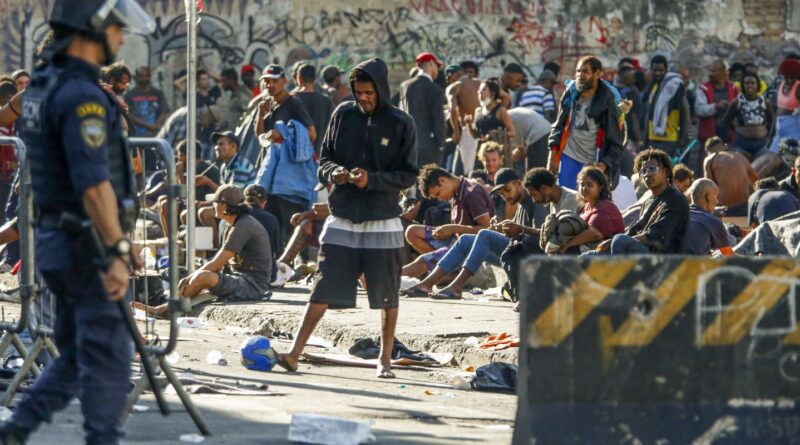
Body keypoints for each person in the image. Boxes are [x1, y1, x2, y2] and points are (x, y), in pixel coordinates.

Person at [0, 2, 154, 443]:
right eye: (116, 29)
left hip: (55, 241)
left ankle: (18, 429)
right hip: (85, 245)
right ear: (92, 29)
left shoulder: (45, 87)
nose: (121, 38)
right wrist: (120, 251)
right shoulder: (82, 96)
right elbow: (92, 185)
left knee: (74, 357)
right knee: (110, 355)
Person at [276, 58, 418, 379]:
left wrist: (374, 181)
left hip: (383, 220)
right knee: (322, 286)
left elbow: (408, 174)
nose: (363, 98)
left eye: (369, 92)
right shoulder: (342, 114)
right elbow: (323, 158)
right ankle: (295, 354)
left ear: (381, 89)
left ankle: (384, 359)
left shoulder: (401, 123)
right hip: (342, 218)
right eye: (358, 92)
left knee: (386, 294)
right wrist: (335, 172)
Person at [400, 168, 537, 300]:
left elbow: (537, 237)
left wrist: (454, 229)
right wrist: (502, 225)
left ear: (519, 183)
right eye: (502, 193)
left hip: (527, 255)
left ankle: (456, 286)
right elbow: (515, 230)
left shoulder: (534, 200)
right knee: (464, 240)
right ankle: (426, 284)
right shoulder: (520, 203)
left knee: (484, 235)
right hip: (513, 250)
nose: (505, 196)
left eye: (507, 190)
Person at [176, 185, 272, 305]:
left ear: (224, 206)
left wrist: (190, 278)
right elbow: (219, 266)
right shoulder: (229, 224)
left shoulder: (243, 226)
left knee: (201, 276)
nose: (213, 206)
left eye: (215, 202)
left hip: (253, 286)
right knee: (195, 275)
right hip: (239, 279)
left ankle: (171, 307)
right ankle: (173, 305)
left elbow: (218, 263)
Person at [402, 165, 494, 278]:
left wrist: (453, 228)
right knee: (412, 231)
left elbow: (488, 230)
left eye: (438, 194)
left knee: (425, 260)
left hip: (471, 247)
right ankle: (444, 268)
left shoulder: (471, 192)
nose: (440, 199)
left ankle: (390, 278)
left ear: (442, 180)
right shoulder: (456, 192)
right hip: (456, 240)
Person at [548, 56, 624, 191]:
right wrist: (552, 157)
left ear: (597, 73)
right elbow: (558, 126)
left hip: (593, 163)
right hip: (569, 158)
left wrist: (603, 165)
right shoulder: (571, 95)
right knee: (565, 203)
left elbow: (616, 142)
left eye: (585, 72)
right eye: (578, 71)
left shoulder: (607, 101)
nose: (580, 75)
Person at [595, 149, 689, 254]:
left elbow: (655, 236)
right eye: (643, 171)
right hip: (641, 253)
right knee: (591, 254)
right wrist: (611, 241)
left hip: (663, 261)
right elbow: (636, 229)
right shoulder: (649, 200)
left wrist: (618, 240)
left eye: (653, 169)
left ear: (666, 172)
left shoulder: (676, 200)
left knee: (620, 241)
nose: (647, 174)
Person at [557, 165, 624, 253]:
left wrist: (566, 246)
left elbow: (594, 234)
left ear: (600, 187)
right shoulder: (584, 207)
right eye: (582, 185)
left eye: (589, 185)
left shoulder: (604, 207)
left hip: (608, 255)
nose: (584, 188)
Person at [399, 52, 447, 166]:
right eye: (437, 66)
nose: (437, 70)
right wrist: (441, 143)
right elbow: (438, 120)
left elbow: (401, 114)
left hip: (408, 144)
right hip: (429, 146)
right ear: (431, 63)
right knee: (428, 181)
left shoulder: (405, 86)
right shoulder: (434, 89)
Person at [254, 64, 316, 148]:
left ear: (285, 81)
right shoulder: (267, 104)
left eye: (275, 81)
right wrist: (260, 115)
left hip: (287, 160)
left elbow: (311, 134)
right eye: (267, 81)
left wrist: (282, 135)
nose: (270, 85)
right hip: (270, 158)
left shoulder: (293, 103)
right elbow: (260, 137)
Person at [642, 55, 690, 158]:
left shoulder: (674, 87)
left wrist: (682, 139)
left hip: (669, 140)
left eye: (661, 70)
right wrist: (645, 139)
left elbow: (685, 112)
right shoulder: (653, 87)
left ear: (666, 70)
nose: (658, 73)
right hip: (652, 139)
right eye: (655, 70)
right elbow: (648, 115)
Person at [703, 136, 758, 216]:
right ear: (725, 146)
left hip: (724, 209)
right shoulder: (740, 156)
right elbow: (757, 181)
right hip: (745, 207)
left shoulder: (709, 159)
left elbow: (707, 188)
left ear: (708, 151)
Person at [724, 72, 773, 161]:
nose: (749, 86)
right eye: (747, 83)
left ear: (757, 85)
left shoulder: (765, 102)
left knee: (760, 170)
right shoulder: (737, 102)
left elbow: (771, 120)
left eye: (752, 83)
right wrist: (737, 130)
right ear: (743, 85)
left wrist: (767, 135)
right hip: (741, 143)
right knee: (742, 169)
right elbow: (726, 120)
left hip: (761, 143)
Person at [466, 80, 515, 163]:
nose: (479, 92)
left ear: (492, 93)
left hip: (496, 155)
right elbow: (475, 135)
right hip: (482, 153)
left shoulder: (500, 110)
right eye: (479, 90)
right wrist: (469, 124)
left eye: (484, 90)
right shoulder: (478, 111)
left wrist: (495, 134)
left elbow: (512, 132)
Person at [446, 62, 482, 174]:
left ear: (450, 76)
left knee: (467, 172)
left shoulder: (455, 87)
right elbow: (504, 97)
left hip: (468, 131)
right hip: (484, 129)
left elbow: (452, 109)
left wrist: (456, 131)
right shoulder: (480, 83)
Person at [696, 59, 738, 151]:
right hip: (709, 137)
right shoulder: (704, 89)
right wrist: (716, 106)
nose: (710, 73)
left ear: (723, 72)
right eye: (710, 70)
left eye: (714, 71)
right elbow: (699, 109)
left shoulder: (734, 88)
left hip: (729, 136)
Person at [685, 179, 734, 256]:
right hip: (693, 265)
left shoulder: (679, 213)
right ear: (708, 196)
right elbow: (729, 255)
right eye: (716, 196)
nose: (717, 201)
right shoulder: (712, 220)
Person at [293, 64, 334, 154]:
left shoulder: (292, 99)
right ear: (315, 80)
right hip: (320, 154)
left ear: (299, 78)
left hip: (297, 154)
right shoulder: (326, 100)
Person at [124, 66, 170, 137]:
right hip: (136, 136)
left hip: (156, 135)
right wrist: (148, 125)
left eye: (147, 76)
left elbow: (164, 112)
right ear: (136, 77)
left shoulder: (158, 93)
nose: (144, 78)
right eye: (141, 76)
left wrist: (155, 126)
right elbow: (129, 115)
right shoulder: (129, 95)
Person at [508, 106, 551, 171]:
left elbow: (522, 152)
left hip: (539, 138)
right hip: (548, 132)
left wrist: (508, 159)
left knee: (534, 175)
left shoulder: (509, 122)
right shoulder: (511, 114)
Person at [0, 81, 18, 222]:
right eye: (5, 98)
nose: (8, 101)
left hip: (14, 175)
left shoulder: (18, 122)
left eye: (11, 98)